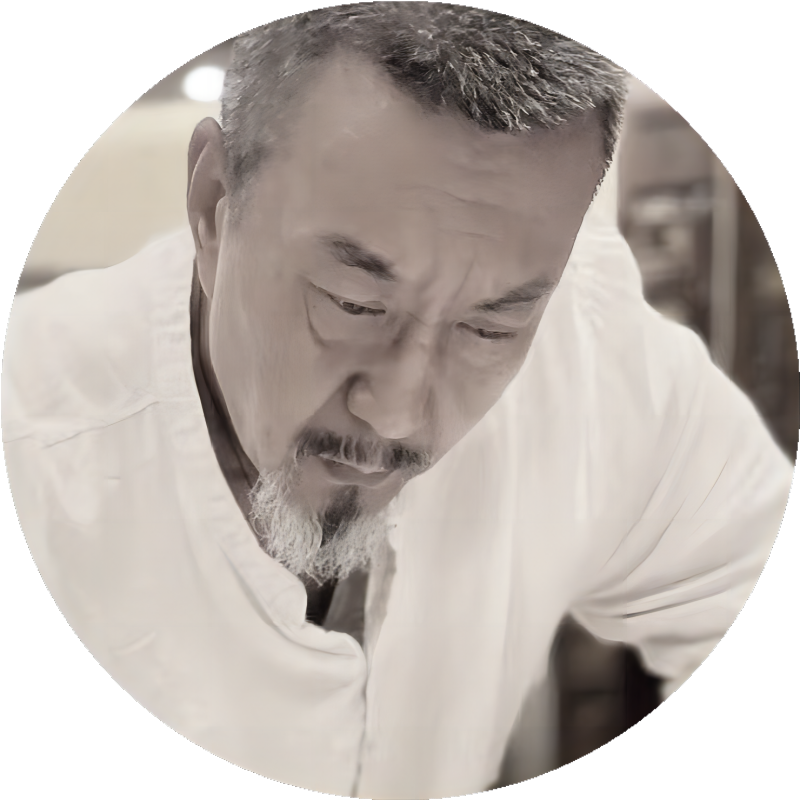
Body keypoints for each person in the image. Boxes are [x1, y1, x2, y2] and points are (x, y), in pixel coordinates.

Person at [2, 5, 793, 797]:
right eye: (352, 303)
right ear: (215, 205)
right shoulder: (32, 451)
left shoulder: (590, 344)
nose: (398, 413)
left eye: (489, 327)